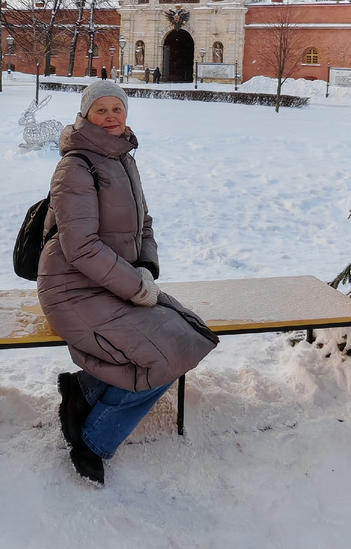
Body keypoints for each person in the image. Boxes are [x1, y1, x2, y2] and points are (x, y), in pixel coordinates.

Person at [37, 80, 218, 485]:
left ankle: (84, 391)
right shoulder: (76, 166)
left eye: (117, 109)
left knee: (187, 334)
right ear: (85, 116)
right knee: (168, 351)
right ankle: (95, 438)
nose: (110, 117)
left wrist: (147, 269)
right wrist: (135, 287)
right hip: (71, 289)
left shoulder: (122, 158)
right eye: (100, 110)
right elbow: (81, 247)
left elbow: (144, 223)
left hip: (112, 281)